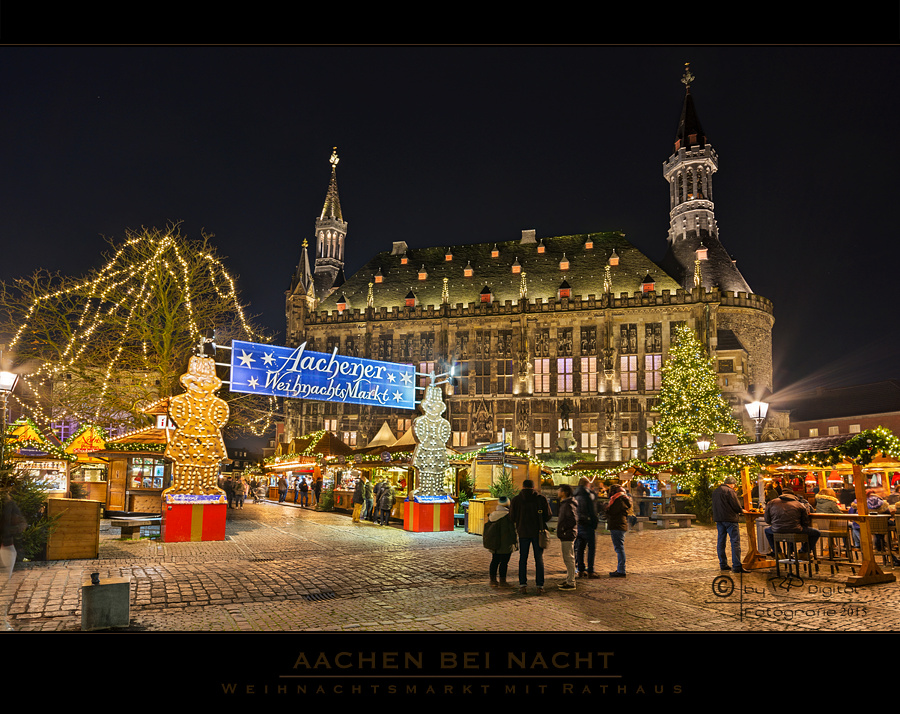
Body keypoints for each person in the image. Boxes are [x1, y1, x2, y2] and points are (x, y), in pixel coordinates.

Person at [509, 479, 551, 595]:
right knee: (539, 559)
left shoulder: (516, 500)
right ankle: (539, 585)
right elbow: (548, 515)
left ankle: (523, 585)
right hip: (538, 532)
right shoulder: (540, 499)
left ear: (522, 486)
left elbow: (512, 517)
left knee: (523, 559)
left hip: (523, 532)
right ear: (533, 487)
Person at [763, 486, 820, 555]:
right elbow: (805, 522)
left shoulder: (771, 503)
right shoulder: (799, 504)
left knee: (767, 531)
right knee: (816, 533)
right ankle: (803, 552)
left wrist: (776, 524)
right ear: (793, 495)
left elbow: (767, 520)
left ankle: (777, 552)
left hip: (777, 529)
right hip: (795, 529)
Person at [712, 476, 745, 573]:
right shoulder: (730, 491)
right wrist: (741, 510)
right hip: (730, 519)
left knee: (721, 542)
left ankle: (723, 564)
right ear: (732, 484)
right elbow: (736, 505)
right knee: (735, 542)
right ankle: (737, 566)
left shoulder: (716, 491)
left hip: (719, 519)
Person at [482, 495, 517, 587]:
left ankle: (492, 579)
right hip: (506, 543)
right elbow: (512, 531)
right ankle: (502, 580)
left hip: (494, 542)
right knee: (504, 562)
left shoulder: (492, 515)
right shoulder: (508, 516)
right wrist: (515, 542)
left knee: (494, 560)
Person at [573, 477, 599, 578]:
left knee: (580, 547)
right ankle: (591, 570)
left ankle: (580, 569)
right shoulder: (588, 495)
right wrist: (594, 522)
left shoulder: (575, 495)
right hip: (588, 524)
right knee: (591, 547)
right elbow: (592, 510)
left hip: (578, 523)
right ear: (587, 484)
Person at [556, 484, 578, 591]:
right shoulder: (566, 503)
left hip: (568, 534)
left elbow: (572, 520)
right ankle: (569, 579)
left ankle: (571, 582)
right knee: (568, 557)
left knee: (569, 558)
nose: (558, 492)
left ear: (564, 492)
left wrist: (564, 529)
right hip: (567, 533)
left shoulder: (568, 504)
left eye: (559, 490)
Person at [606, 484, 631, 577]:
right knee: (619, 548)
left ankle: (621, 570)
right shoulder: (623, 498)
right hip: (620, 525)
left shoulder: (618, 500)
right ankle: (621, 569)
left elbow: (613, 512)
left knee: (619, 548)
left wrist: (607, 509)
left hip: (617, 525)